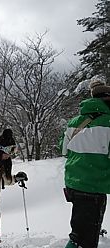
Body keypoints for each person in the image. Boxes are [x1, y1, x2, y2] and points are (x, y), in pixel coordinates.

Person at [59, 78, 110, 248]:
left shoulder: (74, 122)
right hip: (94, 186)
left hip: (74, 184)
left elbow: (64, 150)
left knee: (79, 232)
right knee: (85, 240)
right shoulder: (108, 123)